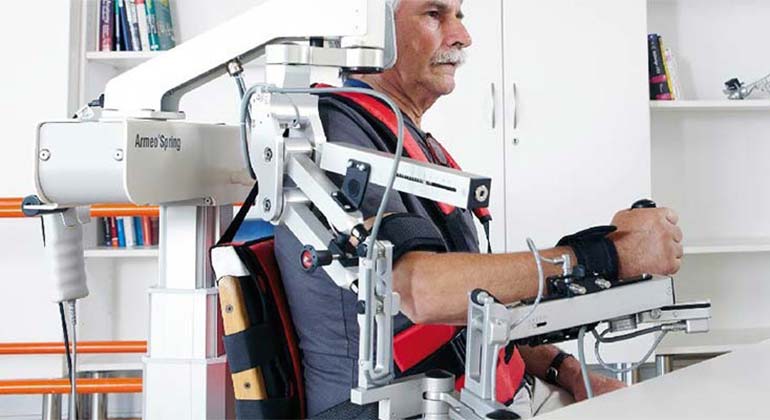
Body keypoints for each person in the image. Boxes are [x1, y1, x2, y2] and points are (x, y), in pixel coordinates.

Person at [274, 0, 684, 417]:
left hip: (493, 387)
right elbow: (417, 290)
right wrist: (605, 255)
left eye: (460, 16)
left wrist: (568, 369)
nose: (462, 37)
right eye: (434, 14)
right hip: (410, 406)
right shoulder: (334, 135)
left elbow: (477, 306)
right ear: (370, 28)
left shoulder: (409, 138)